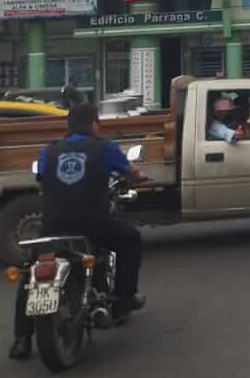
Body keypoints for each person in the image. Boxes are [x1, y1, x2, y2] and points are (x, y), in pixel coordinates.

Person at [10, 103, 147, 360]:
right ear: (93, 123)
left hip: (54, 226)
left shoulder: (47, 151)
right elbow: (130, 173)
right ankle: (123, 301)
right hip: (92, 224)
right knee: (131, 239)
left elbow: (41, 180)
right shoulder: (105, 148)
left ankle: (21, 339)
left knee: (31, 272)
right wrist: (140, 176)